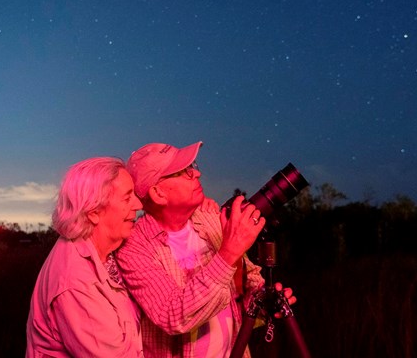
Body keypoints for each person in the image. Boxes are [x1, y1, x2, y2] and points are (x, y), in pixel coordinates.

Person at [116, 141, 295, 358]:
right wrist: (228, 252)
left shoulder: (212, 219)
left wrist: (265, 304)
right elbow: (172, 315)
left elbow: (244, 286)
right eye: (184, 171)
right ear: (158, 193)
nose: (196, 174)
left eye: (193, 166)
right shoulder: (134, 247)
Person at [26, 157, 144, 357]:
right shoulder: (77, 284)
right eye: (127, 198)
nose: (138, 204)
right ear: (94, 212)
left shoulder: (100, 250)